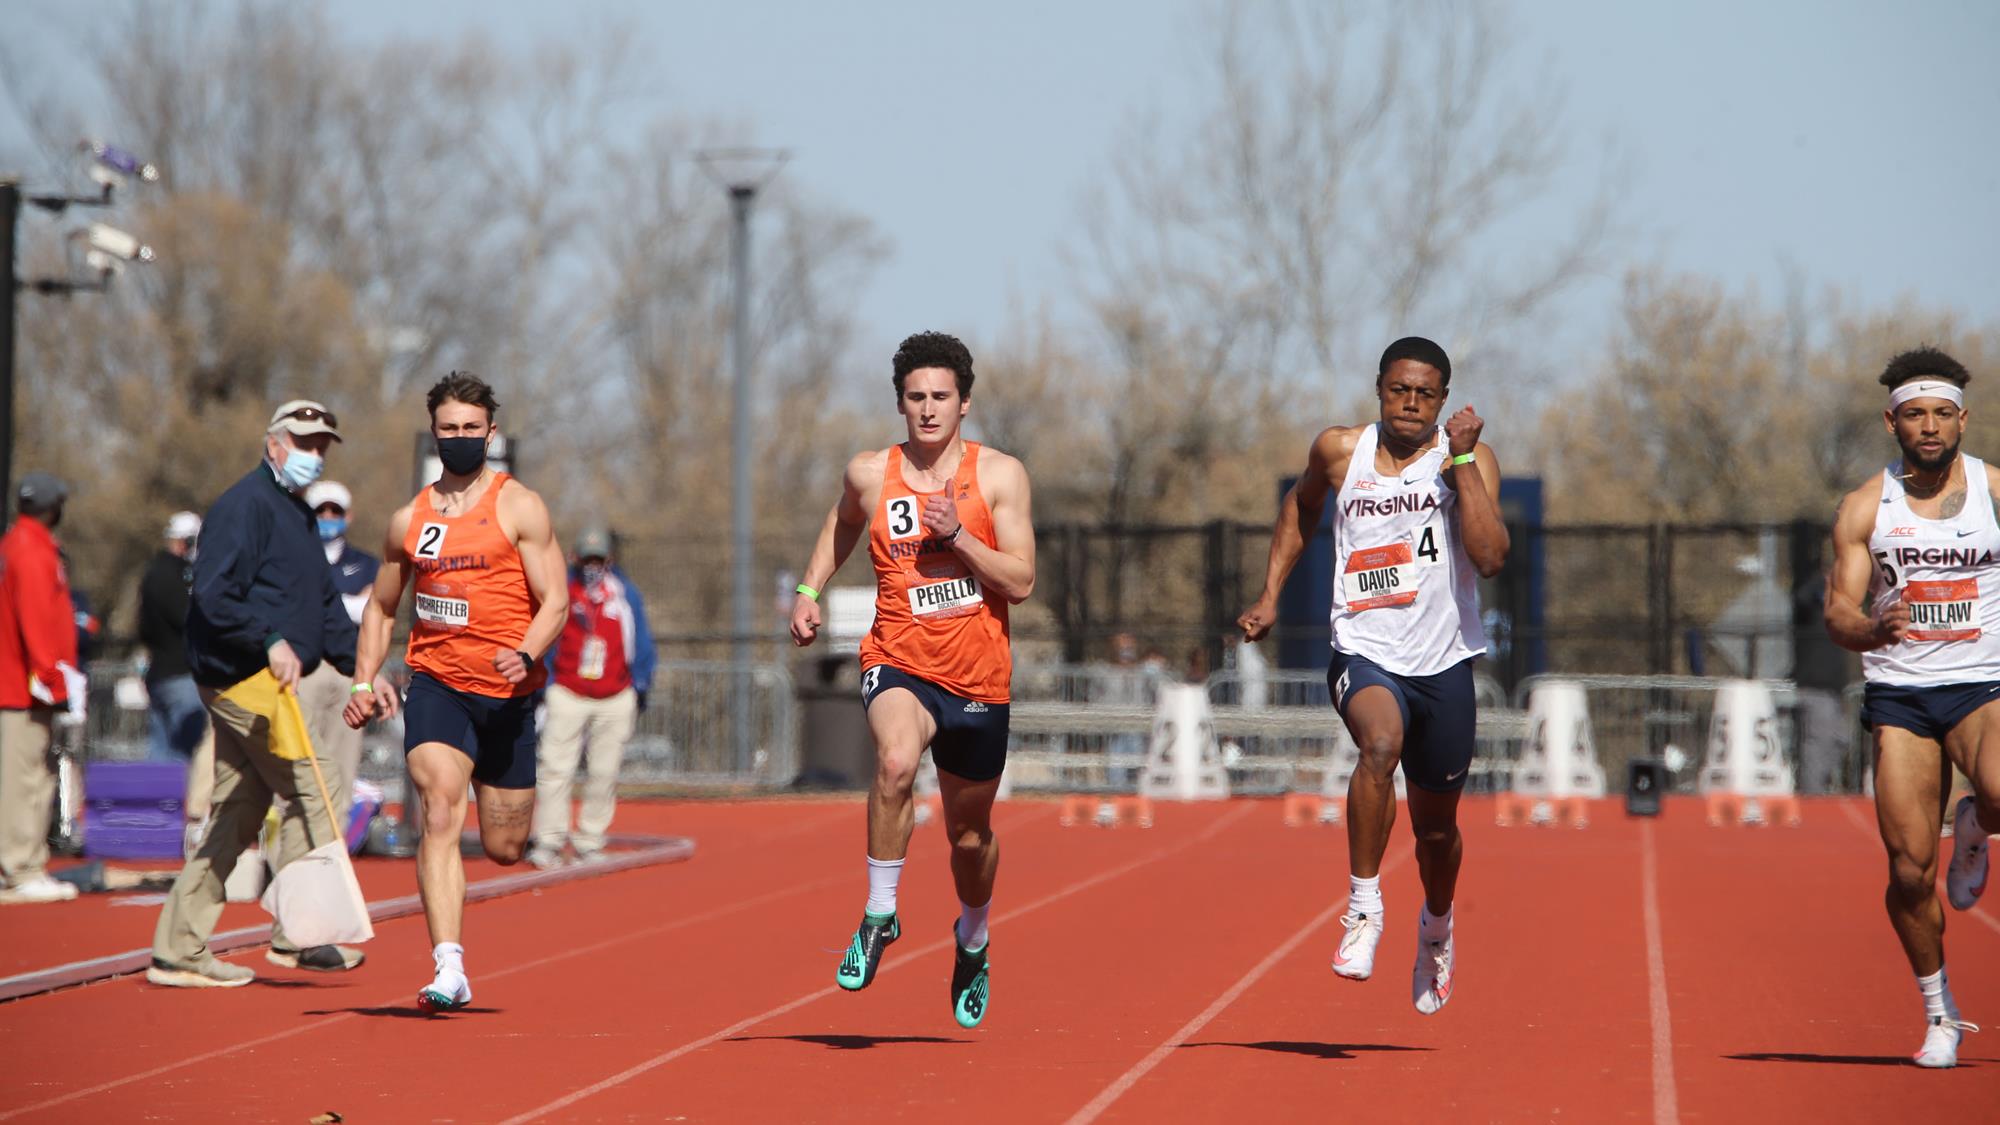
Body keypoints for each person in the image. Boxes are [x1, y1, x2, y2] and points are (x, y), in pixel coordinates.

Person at [1237, 336, 1507, 1016]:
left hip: (1442, 662)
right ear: (1379, 389)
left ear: (1443, 400)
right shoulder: (1338, 451)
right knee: (1378, 746)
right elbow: (1301, 508)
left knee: (1436, 832)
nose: (1410, 403)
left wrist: (1466, 459)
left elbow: (1491, 554)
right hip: (1363, 649)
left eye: (1425, 393)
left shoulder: (1462, 460)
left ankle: (1437, 926)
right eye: (1398, 390)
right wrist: (1271, 593)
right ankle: (1363, 908)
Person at [790, 331, 1036, 1029]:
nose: (928, 410)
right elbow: (841, 525)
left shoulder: (1000, 477)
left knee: (969, 838)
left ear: (964, 403)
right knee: (895, 761)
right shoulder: (872, 473)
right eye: (916, 397)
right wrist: (811, 588)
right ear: (900, 402)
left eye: (941, 397)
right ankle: (879, 914)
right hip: (897, 657)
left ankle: (974, 935)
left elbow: (1021, 580)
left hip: (979, 678)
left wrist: (959, 535)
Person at [345, 371, 567, 1014]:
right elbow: (381, 610)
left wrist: (525, 651)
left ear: (491, 434)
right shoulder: (408, 520)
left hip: (509, 691)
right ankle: (449, 965)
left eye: (473, 429)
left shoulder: (519, 506)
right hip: (438, 682)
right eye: (450, 429)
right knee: (438, 810)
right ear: (434, 433)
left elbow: (556, 599)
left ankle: (457, 947)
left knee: (505, 847)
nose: (461, 438)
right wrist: (366, 680)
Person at [149, 401, 372, 985]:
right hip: (242, 679)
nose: (314, 455)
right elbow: (214, 597)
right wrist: (268, 638)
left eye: (322, 445)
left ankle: (179, 948)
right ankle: (301, 936)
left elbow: (323, 608)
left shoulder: (295, 514)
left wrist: (367, 672)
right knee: (315, 785)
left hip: (262, 680)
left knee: (241, 809)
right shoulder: (243, 507)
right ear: (273, 444)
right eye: (303, 442)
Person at [1825, 346, 1996, 1068]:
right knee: (1906, 873)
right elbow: (1838, 610)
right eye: (1914, 414)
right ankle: (1940, 1012)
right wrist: (1870, 627)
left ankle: (1978, 823)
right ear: (1892, 421)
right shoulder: (1868, 507)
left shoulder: (1994, 492)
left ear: (1962, 418)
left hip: (1985, 678)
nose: (1929, 426)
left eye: (1941, 413)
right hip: (1901, 692)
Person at [529, 526, 655, 869]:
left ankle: (590, 840)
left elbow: (641, 639)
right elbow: (543, 634)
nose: (592, 565)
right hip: (567, 691)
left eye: (598, 559)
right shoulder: (561, 590)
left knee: (604, 771)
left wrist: (639, 685)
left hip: (614, 694)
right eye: (587, 558)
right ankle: (549, 841)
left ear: (609, 560)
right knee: (555, 768)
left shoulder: (624, 593)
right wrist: (545, 683)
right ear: (574, 557)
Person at [0, 472, 81, 904]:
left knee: (32, 775)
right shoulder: (32, 549)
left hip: (23, 685)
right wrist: (52, 680)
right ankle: (19, 867)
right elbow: (36, 620)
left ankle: (25, 861)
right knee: (26, 778)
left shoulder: (21, 543)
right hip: (25, 689)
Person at [297, 480, 381, 850]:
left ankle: (334, 846)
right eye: (321, 512)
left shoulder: (365, 563)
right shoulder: (296, 558)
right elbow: (305, 608)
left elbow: (373, 610)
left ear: (348, 516)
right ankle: (296, 846)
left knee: (343, 764)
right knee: (299, 760)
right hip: (307, 669)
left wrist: (334, 604)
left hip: (350, 670)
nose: (328, 518)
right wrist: (348, 604)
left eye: (335, 511)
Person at [138, 511, 216, 856]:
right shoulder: (170, 576)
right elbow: (189, 618)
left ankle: (157, 832)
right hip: (180, 674)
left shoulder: (153, 574)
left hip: (161, 673)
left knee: (163, 751)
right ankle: (175, 828)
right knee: (190, 749)